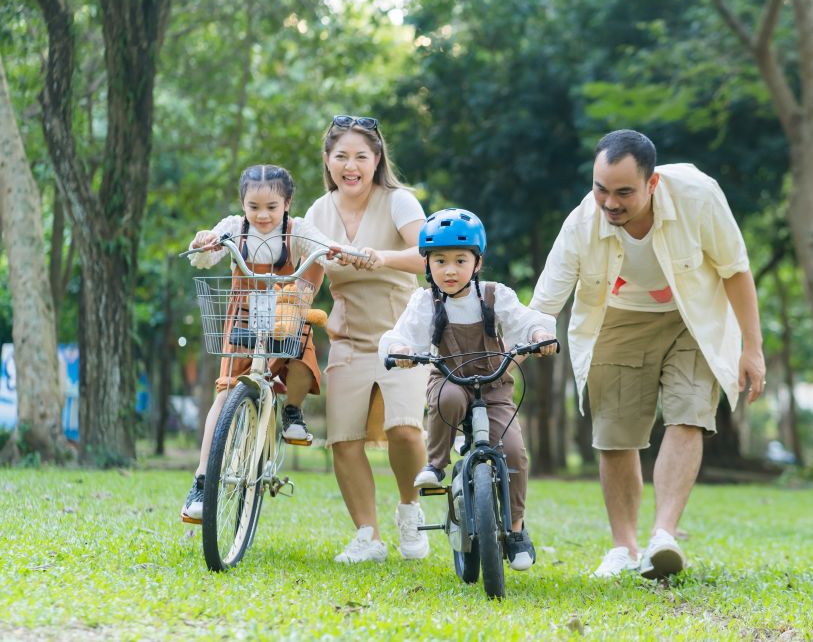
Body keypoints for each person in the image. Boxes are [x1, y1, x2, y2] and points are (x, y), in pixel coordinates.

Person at [529, 130, 766, 578]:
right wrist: (516, 350)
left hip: (692, 314)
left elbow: (735, 270)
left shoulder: (698, 196)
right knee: (616, 433)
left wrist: (752, 348)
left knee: (689, 413)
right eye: (601, 189)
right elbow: (544, 304)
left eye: (623, 192)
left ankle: (663, 538)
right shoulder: (582, 223)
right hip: (618, 317)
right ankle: (624, 547)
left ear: (651, 183)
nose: (610, 203)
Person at [379, 208, 558, 571]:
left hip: (495, 387)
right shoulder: (424, 302)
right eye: (439, 261)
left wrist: (539, 336)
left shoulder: (495, 296)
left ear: (477, 263)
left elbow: (526, 321)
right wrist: (401, 351)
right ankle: (436, 464)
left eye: (460, 260)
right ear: (427, 265)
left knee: (514, 452)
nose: (449, 270)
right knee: (447, 399)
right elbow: (402, 335)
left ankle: (518, 529)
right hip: (449, 378)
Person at [181, 164, 352, 523]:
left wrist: (337, 251)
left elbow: (320, 244)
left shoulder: (297, 229)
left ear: (287, 203)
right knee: (225, 393)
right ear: (242, 204)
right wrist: (203, 242)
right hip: (242, 315)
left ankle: (291, 409)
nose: (262, 215)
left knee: (302, 353)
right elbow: (205, 253)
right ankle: (202, 478)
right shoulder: (233, 226)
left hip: (285, 315)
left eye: (271, 207)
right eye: (253, 206)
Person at [303, 115, 433, 564]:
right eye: (341, 156)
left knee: (404, 429)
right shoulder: (317, 214)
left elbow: (428, 256)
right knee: (343, 438)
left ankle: (410, 512)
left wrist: (382, 257)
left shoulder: (399, 202)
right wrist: (289, 303)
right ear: (328, 160)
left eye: (361, 156)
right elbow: (310, 277)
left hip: (403, 335)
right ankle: (367, 535)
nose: (350, 165)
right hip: (349, 339)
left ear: (377, 160)